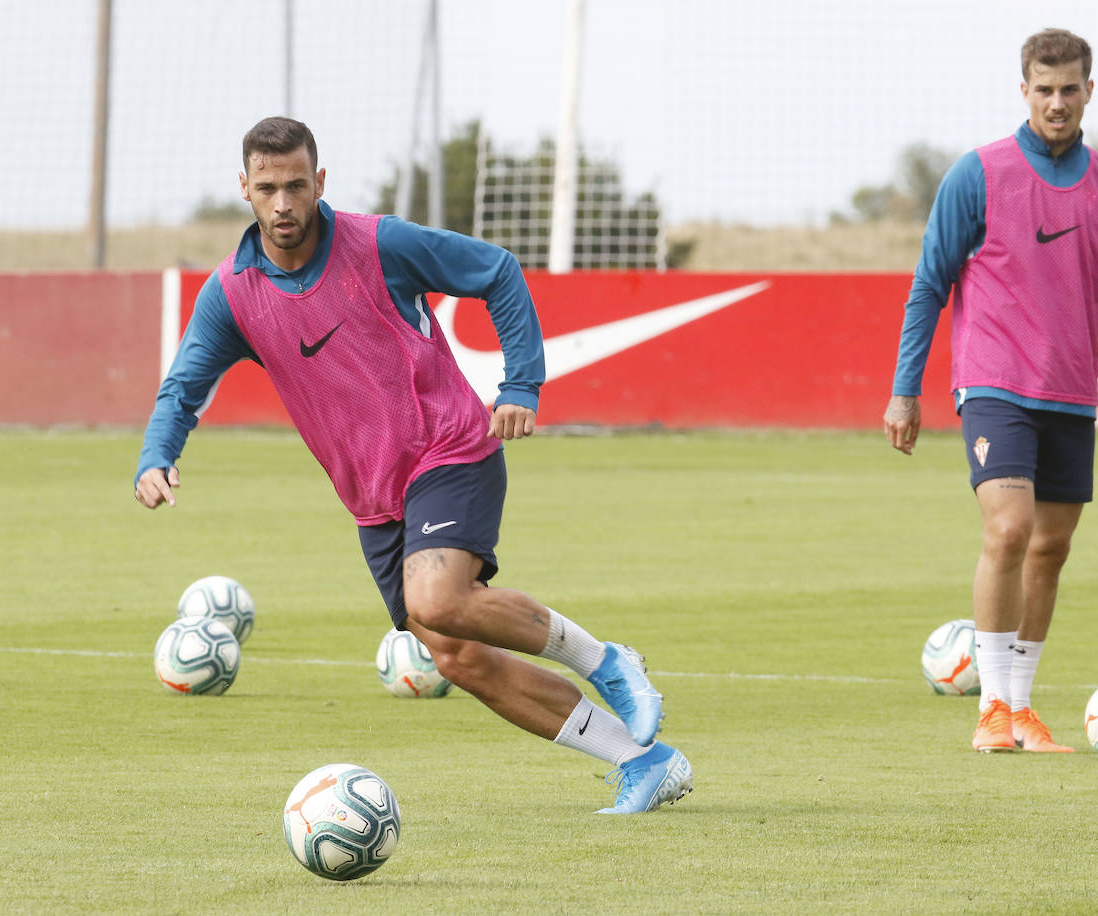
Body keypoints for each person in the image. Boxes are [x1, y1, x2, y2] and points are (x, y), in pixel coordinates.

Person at [134, 116, 692, 812]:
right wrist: (157, 456)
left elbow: (498, 270)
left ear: (320, 182)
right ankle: (644, 763)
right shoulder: (232, 293)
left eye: (297, 186)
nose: (283, 204)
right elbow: (183, 387)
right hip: (373, 500)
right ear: (244, 187)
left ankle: (607, 662)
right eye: (268, 188)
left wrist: (521, 384)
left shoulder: (380, 244)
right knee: (455, 654)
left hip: (447, 449)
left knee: (437, 600)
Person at [882, 30, 1098, 753]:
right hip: (994, 383)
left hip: (1070, 391)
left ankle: (1020, 708)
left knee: (1051, 549)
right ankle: (990, 710)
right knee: (1009, 530)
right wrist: (905, 390)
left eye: (1070, 89)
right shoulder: (979, 173)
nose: (1057, 102)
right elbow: (930, 283)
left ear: (1089, 91)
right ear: (1024, 92)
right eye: (1044, 89)